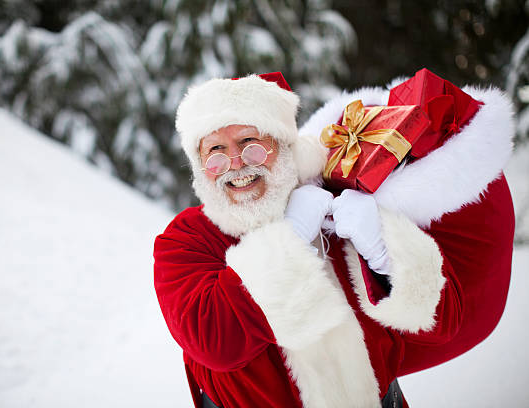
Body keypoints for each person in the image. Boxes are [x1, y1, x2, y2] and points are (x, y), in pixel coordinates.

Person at [153, 72, 514, 408]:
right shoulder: (186, 239)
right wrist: (291, 235)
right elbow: (215, 338)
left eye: (250, 143)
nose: (235, 163)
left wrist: (383, 251)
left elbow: (441, 320)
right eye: (214, 151)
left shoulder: (337, 199)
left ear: (282, 145)